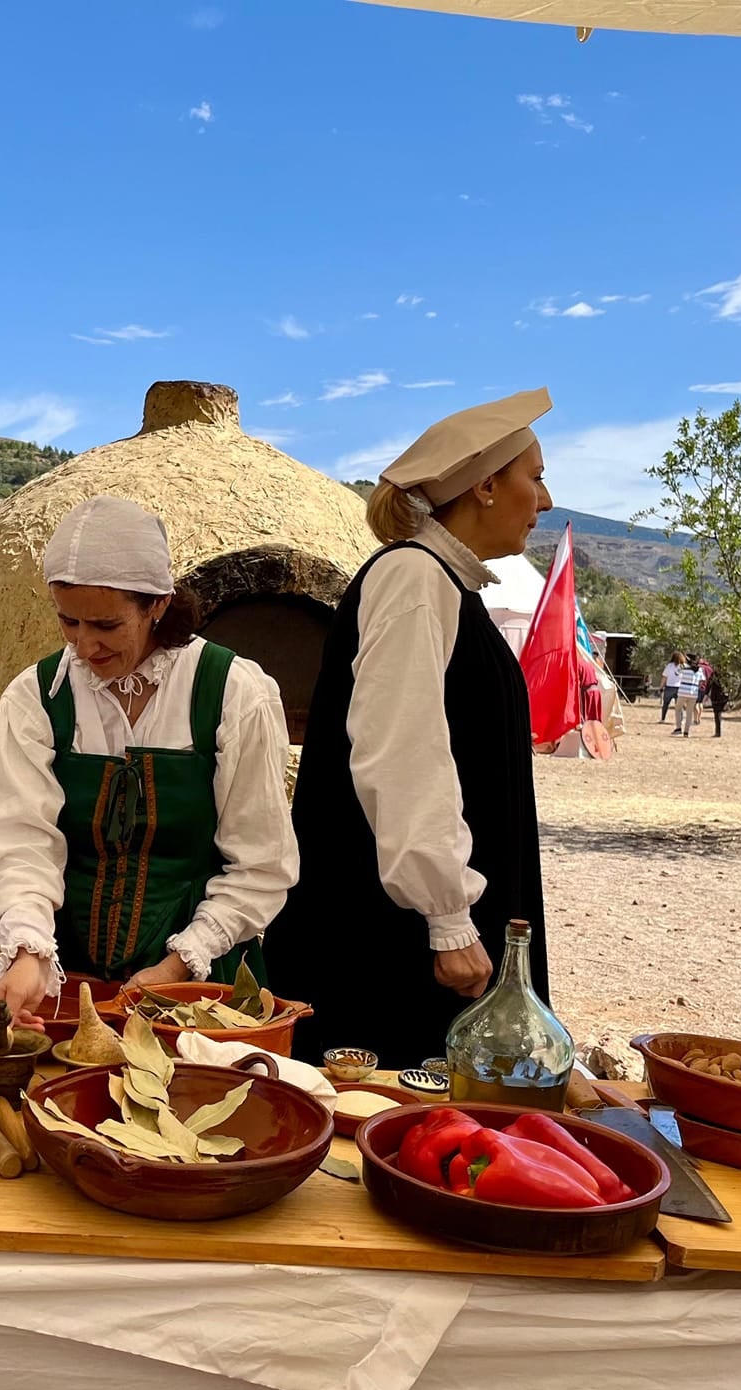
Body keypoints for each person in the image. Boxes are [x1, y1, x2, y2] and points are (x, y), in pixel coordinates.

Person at [271, 388, 555, 1064]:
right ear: (486, 485)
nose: (544, 501)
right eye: (536, 477)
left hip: (425, 925)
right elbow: (401, 750)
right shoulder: (413, 577)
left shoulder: (450, 587)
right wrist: (448, 919)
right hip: (393, 935)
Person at [0, 496, 297, 1016]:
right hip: (69, 976)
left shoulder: (233, 693)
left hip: (199, 985)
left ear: (158, 605)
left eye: (106, 626)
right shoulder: (35, 698)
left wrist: (181, 962)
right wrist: (30, 947)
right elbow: (19, 841)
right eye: (69, 622)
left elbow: (261, 864)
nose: (84, 646)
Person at [672, 656, 702, 736]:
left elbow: (676, 673)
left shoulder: (683, 666)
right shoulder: (699, 669)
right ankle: (686, 731)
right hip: (693, 692)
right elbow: (701, 681)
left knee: (678, 709)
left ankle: (678, 728)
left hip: (683, 691)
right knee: (689, 712)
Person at [706, 667, 730, 738]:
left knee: (717, 714)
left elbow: (709, 685)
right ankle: (718, 732)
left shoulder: (713, 675)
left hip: (716, 697)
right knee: (718, 714)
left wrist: (706, 694)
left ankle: (718, 732)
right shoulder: (726, 675)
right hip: (723, 696)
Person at [660, 651, 683, 724]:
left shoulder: (669, 666)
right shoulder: (683, 667)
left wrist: (661, 687)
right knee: (679, 706)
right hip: (679, 688)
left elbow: (664, 677)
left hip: (669, 687)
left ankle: (663, 719)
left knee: (665, 704)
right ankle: (680, 720)